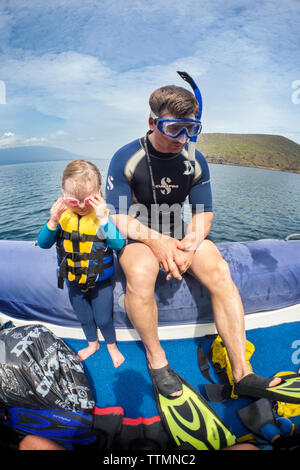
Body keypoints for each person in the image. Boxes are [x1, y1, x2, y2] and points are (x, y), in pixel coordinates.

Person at [105, 83, 282, 398]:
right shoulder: (126, 157)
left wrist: (188, 246)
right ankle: (157, 360)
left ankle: (242, 373)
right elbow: (117, 217)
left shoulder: (194, 158)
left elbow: (204, 214)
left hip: (180, 233)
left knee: (220, 271)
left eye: (191, 129)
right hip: (139, 234)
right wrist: (157, 242)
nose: (182, 139)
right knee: (141, 273)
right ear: (152, 123)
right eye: (174, 129)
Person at [37, 160, 125, 366]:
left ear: (99, 193)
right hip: (73, 280)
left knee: (103, 318)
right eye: (74, 202)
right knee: (84, 316)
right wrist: (52, 221)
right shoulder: (61, 218)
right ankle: (92, 343)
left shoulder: (101, 217)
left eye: (89, 200)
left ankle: (112, 346)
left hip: (100, 282)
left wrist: (103, 219)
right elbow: (43, 244)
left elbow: (118, 243)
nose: (83, 206)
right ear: (62, 195)